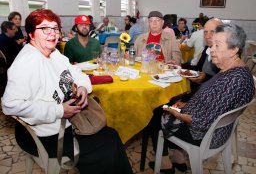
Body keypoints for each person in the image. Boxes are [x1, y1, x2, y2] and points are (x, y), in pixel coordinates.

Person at [1, 9, 133, 174]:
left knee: (111, 135)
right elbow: (10, 106)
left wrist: (84, 86)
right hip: (44, 134)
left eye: (55, 28)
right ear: (31, 33)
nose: (52, 33)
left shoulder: (54, 53)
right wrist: (59, 110)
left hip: (65, 124)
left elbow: (76, 72)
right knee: (107, 146)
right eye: (45, 28)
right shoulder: (27, 62)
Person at [149, 23, 255, 174]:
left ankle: (165, 163)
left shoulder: (233, 81)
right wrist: (184, 104)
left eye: (217, 45)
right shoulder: (237, 71)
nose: (211, 48)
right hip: (217, 129)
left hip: (204, 134)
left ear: (234, 50)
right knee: (171, 104)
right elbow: (211, 103)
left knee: (157, 111)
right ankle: (179, 157)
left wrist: (173, 111)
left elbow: (198, 121)